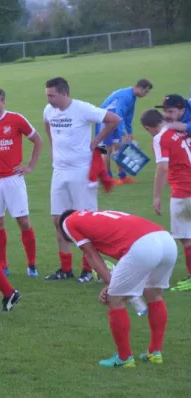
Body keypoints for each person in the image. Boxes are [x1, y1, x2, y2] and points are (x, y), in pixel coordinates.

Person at [59, 209, 177, 368]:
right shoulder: (93, 216)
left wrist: (111, 285)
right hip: (166, 240)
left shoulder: (68, 223)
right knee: (154, 294)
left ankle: (124, 358)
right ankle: (155, 353)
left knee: (114, 299)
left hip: (143, 245)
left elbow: (91, 255)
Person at [43, 77, 122, 283]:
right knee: (58, 220)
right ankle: (65, 268)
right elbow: (47, 125)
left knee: (85, 221)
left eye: (51, 95)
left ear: (64, 93)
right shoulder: (49, 111)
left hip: (81, 171)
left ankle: (89, 270)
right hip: (58, 171)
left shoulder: (82, 109)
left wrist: (97, 140)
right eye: (47, 95)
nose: (48, 99)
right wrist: (53, 147)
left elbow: (114, 119)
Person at [0, 87, 42, 277]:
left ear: (3, 102)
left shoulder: (16, 119)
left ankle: (32, 264)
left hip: (13, 179)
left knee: (24, 222)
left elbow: (38, 140)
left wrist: (29, 166)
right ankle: (3, 266)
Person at [140, 109, 191, 290]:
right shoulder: (179, 130)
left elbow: (162, 168)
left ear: (148, 128)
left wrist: (156, 197)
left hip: (184, 191)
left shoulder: (160, 138)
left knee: (186, 237)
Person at [95, 79, 153, 184]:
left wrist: (129, 133)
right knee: (106, 151)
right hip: (105, 120)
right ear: (139, 88)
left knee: (119, 148)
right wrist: (123, 133)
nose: (146, 94)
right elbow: (119, 114)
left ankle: (122, 177)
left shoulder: (132, 97)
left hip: (114, 121)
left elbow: (128, 116)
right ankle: (107, 179)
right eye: (146, 91)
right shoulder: (125, 95)